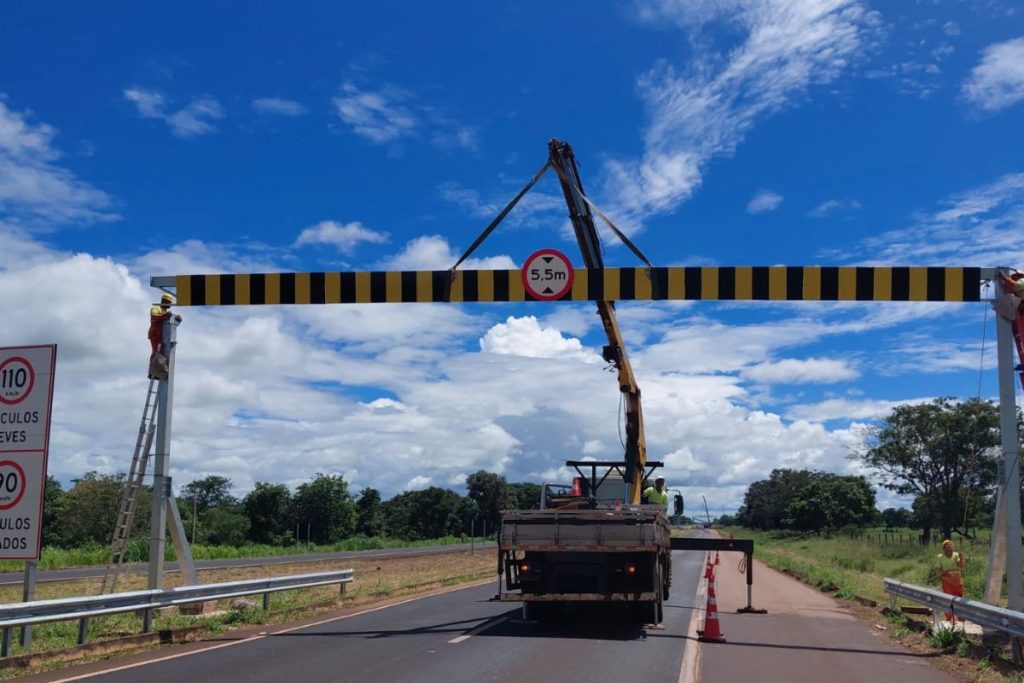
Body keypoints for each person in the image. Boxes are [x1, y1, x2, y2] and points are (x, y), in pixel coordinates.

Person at [935, 539, 965, 621]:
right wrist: (943, 574)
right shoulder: (940, 557)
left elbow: (961, 566)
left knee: (959, 599)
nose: (949, 549)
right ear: (944, 549)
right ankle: (949, 619)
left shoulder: (956, 555)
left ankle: (961, 618)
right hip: (947, 581)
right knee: (948, 600)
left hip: (957, 580)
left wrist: (961, 558)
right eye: (946, 547)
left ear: (953, 548)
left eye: (950, 547)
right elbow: (937, 569)